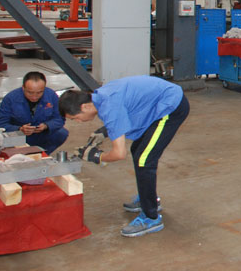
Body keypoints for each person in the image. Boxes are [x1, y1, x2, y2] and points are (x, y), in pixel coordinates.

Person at [59, 76, 190, 237]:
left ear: (85, 106)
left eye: (75, 118)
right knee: (138, 150)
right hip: (157, 102)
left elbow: (119, 153)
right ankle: (148, 198)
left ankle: (151, 217)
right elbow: (124, 111)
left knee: (144, 159)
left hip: (171, 106)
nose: (78, 122)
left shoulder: (109, 108)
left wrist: (96, 156)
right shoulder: (100, 97)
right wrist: (104, 132)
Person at [0, 71, 68, 154]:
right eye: (30, 92)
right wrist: (19, 129)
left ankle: (42, 154)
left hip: (41, 135)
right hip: (19, 137)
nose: (34, 96)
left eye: (39, 92)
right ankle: (18, 154)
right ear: (23, 88)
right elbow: (0, 125)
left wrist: (46, 126)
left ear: (44, 88)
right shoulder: (10, 99)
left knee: (61, 133)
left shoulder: (51, 96)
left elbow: (60, 119)